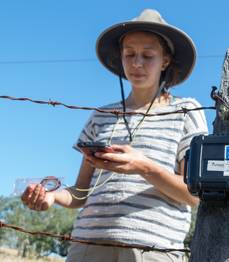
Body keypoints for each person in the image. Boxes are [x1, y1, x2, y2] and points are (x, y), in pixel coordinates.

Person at [21, 9, 208, 262]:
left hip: (150, 250)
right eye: (129, 54)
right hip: (87, 245)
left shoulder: (186, 112)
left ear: (165, 61)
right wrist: (51, 197)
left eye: (148, 55)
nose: (137, 63)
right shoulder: (100, 116)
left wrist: (143, 167)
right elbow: (81, 192)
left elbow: (193, 194)